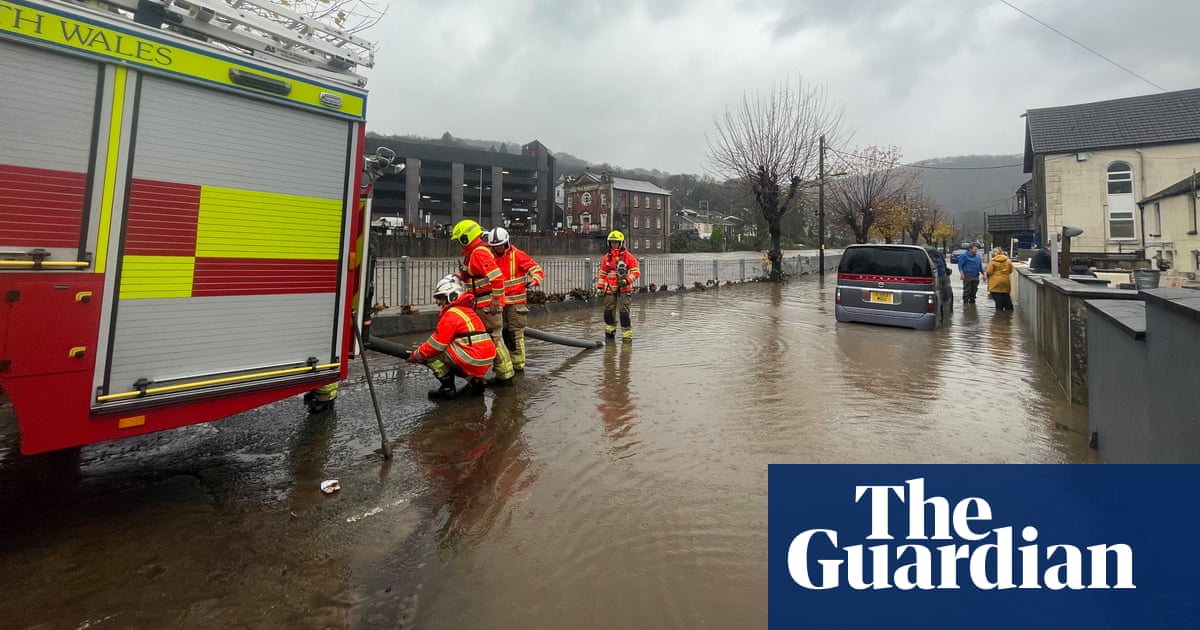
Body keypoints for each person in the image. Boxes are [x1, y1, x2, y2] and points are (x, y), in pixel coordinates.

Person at [406, 275, 497, 399]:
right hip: (485, 357)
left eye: (440, 298)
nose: (438, 302)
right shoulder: (467, 311)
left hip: (472, 357)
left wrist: (416, 356)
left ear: (451, 296)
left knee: (431, 354)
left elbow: (435, 346)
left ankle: (447, 389)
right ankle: (475, 381)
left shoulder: (451, 315)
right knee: (452, 354)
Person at [451, 219, 515, 386]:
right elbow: (477, 275)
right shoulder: (475, 253)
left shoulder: (479, 252)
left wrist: (495, 300)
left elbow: (496, 277)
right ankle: (502, 372)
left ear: (466, 238)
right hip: (482, 303)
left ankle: (505, 375)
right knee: (492, 338)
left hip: (487, 304)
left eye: (459, 239)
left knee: (495, 338)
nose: (458, 243)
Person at [485, 227, 544, 371]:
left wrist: (534, 280)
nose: (497, 248)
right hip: (498, 302)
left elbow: (535, 269)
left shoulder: (517, 255)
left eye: (500, 245)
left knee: (515, 334)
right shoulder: (488, 256)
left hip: (515, 304)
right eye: (494, 246)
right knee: (498, 334)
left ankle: (517, 365)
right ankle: (503, 364)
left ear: (506, 243)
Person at [595, 230, 641, 340]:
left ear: (621, 243)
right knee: (608, 312)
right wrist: (600, 288)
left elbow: (636, 272)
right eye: (612, 242)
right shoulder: (606, 257)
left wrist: (627, 280)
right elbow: (602, 274)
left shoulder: (628, 257)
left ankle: (626, 338)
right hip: (609, 289)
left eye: (616, 242)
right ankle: (609, 336)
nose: (614, 245)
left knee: (624, 313)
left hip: (624, 289)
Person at [985, 247, 1014, 311]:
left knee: (998, 301)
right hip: (1005, 282)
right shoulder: (1008, 261)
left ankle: (999, 316)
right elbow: (1010, 271)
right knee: (1006, 298)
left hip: (995, 283)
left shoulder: (992, 262)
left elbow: (989, 272)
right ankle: (1008, 315)